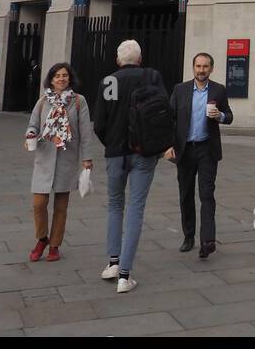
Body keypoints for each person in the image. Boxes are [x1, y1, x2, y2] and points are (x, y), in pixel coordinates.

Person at [93, 39, 169, 293]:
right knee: (136, 209)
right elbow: (163, 113)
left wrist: (112, 143)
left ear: (118, 60)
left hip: (115, 152)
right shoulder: (152, 77)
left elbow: (99, 124)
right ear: (140, 58)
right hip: (144, 152)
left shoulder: (109, 81)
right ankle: (125, 276)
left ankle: (113, 262)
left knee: (115, 205)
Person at [25, 62, 96, 263]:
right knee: (39, 204)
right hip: (44, 157)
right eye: (57, 75)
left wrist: (87, 158)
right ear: (51, 79)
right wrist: (30, 134)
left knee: (61, 207)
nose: (61, 79)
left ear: (70, 78)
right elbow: (33, 124)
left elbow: (85, 133)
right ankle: (42, 239)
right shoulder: (42, 102)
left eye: (65, 75)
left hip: (67, 158)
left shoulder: (79, 101)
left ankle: (54, 245)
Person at [164, 52, 232, 259]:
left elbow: (229, 116)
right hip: (185, 150)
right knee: (185, 195)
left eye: (205, 66)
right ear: (193, 67)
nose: (201, 70)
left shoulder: (218, 90)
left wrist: (219, 116)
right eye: (198, 66)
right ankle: (189, 236)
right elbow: (169, 119)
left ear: (211, 68)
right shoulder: (180, 89)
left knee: (206, 194)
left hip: (207, 149)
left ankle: (207, 240)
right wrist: (167, 146)